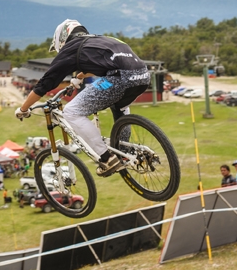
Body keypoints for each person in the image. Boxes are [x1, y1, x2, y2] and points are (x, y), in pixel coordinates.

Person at [15, 19, 150, 177]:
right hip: (143, 76)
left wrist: (23, 109)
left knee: (71, 111)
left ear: (63, 38)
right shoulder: (100, 39)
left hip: (118, 80)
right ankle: (124, 151)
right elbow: (101, 64)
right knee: (119, 105)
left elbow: (46, 83)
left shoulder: (72, 48)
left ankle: (107, 158)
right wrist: (78, 78)